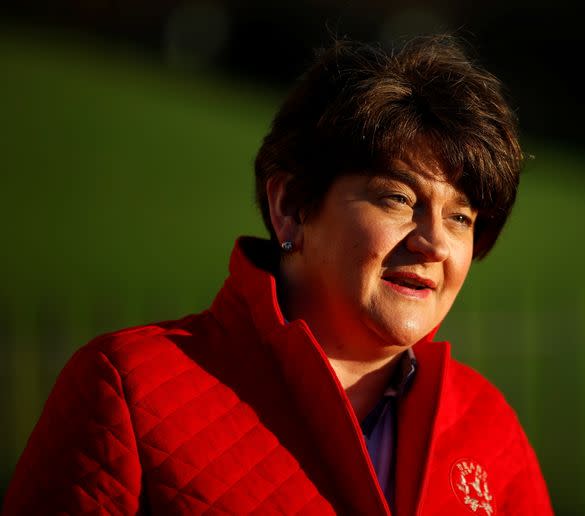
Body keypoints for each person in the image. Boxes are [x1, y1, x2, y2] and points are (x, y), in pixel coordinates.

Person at [3, 35, 552, 515]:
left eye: (460, 216)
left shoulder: (490, 427)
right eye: (397, 198)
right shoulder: (127, 390)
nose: (434, 242)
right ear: (290, 205)